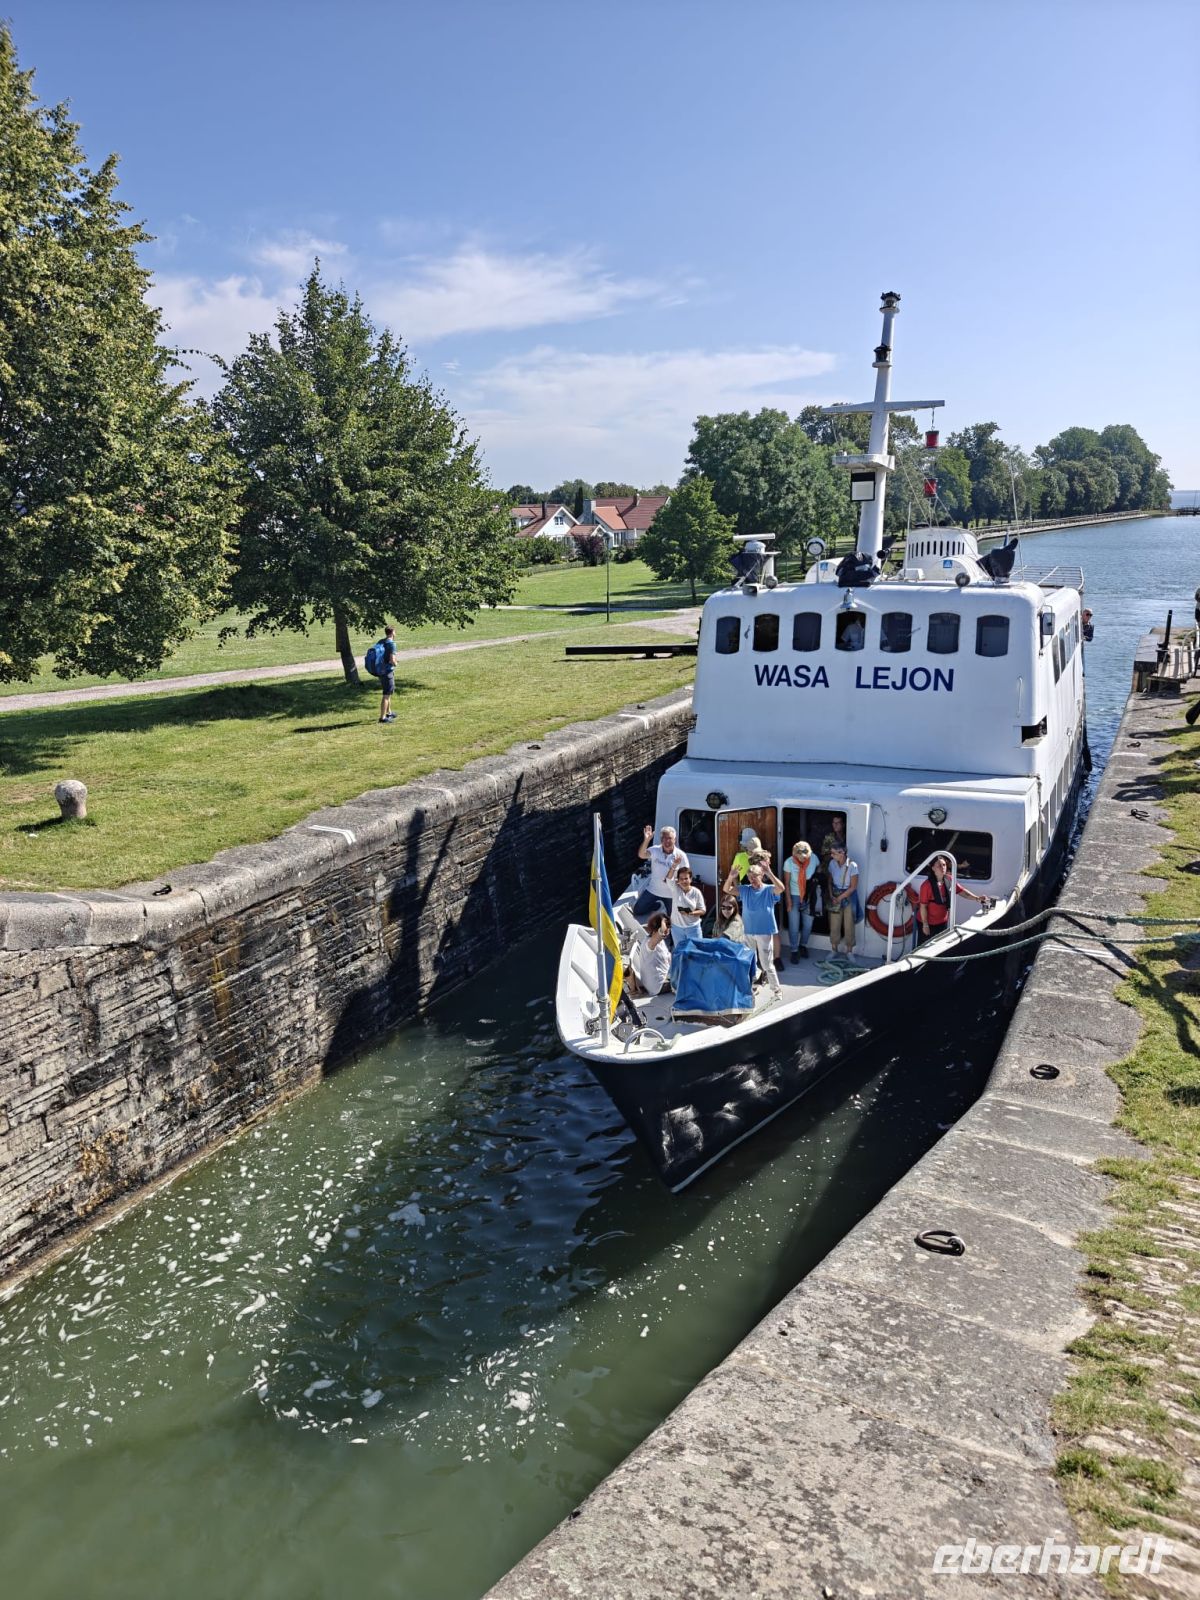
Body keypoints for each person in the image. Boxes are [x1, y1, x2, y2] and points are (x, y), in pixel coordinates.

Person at [723, 859, 784, 999]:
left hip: (764, 931)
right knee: (750, 961)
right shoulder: (745, 889)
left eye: (754, 877)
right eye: (750, 878)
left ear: (761, 876)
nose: (752, 880)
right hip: (748, 931)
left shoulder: (769, 889)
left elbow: (781, 888)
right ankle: (754, 985)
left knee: (766, 964)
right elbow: (727, 889)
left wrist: (769, 872)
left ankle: (777, 990)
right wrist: (731, 877)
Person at [917, 855, 993, 943]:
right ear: (933, 868)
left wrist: (977, 898)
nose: (942, 868)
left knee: (938, 945)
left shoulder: (950, 879)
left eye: (944, 865)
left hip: (942, 922)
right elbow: (923, 906)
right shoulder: (926, 886)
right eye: (939, 865)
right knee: (924, 947)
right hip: (928, 924)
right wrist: (925, 925)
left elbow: (963, 892)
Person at [634, 824, 688, 919]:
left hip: (671, 894)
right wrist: (647, 840)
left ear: (674, 839)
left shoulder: (681, 855)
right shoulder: (655, 850)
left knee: (674, 919)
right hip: (653, 890)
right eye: (664, 838)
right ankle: (657, 905)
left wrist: (677, 884)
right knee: (637, 910)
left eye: (670, 838)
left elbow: (686, 875)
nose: (667, 841)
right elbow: (641, 855)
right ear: (661, 839)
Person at [826, 843, 859, 961]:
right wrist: (831, 895)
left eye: (834, 853)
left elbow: (853, 887)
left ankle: (849, 952)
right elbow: (829, 881)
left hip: (848, 897)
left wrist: (839, 898)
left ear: (842, 853)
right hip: (835, 895)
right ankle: (834, 950)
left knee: (849, 923)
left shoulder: (852, 866)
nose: (831, 855)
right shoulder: (831, 864)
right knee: (834, 924)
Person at [783, 840, 813, 963]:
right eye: (799, 857)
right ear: (795, 854)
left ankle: (803, 946)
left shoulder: (814, 859)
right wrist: (789, 901)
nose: (802, 859)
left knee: (808, 924)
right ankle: (794, 950)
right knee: (794, 925)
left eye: (804, 857)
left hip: (809, 896)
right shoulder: (788, 863)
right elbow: (786, 883)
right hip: (794, 896)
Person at [629, 911, 672, 996]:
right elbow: (660, 934)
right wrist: (662, 920)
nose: (668, 930)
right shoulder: (650, 944)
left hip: (663, 977)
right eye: (667, 927)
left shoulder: (659, 941)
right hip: (658, 985)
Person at [669, 866, 706, 946]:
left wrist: (690, 913)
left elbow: (703, 911)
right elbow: (669, 879)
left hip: (693, 928)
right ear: (678, 880)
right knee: (680, 953)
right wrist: (673, 866)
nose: (684, 881)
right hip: (676, 928)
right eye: (681, 879)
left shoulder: (696, 892)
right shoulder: (675, 889)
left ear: (691, 879)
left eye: (686, 878)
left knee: (696, 951)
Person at [378, 626, 397, 723]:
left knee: (388, 692)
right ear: (392, 632)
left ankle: (389, 712)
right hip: (387, 671)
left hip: (380, 671)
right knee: (386, 695)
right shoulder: (392, 644)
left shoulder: (381, 641)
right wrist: (396, 664)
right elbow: (392, 660)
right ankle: (383, 718)